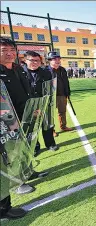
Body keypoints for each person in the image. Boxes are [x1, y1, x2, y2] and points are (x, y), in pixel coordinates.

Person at [0, 37, 28, 220]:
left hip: (20, 124)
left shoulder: (17, 70)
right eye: (4, 50)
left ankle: (19, 184)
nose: (9, 53)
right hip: (4, 128)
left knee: (16, 158)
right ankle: (4, 209)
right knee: (3, 165)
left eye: (12, 49)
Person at [22, 50, 59, 154]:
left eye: (37, 61)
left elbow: (50, 87)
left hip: (45, 103)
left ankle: (50, 144)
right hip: (29, 105)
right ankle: (34, 147)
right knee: (31, 127)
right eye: (32, 60)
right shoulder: (20, 72)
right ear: (25, 60)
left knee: (48, 124)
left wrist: (49, 102)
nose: (35, 63)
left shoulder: (46, 72)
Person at [46, 51, 73, 134]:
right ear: (50, 60)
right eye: (55, 59)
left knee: (62, 112)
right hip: (51, 96)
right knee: (50, 114)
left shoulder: (62, 69)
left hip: (62, 95)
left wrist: (67, 93)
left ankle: (63, 126)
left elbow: (66, 82)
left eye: (58, 59)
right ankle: (52, 130)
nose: (57, 61)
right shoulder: (45, 70)